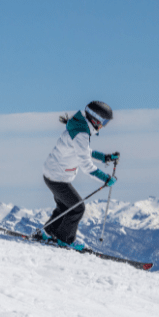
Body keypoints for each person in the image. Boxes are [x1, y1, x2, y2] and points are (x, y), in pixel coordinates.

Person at [36, 101, 119, 251]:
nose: (104, 126)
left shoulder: (80, 128)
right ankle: (64, 239)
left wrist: (105, 158)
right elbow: (86, 164)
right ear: (96, 119)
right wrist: (105, 178)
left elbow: (84, 152)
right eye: (104, 122)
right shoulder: (81, 133)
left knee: (65, 207)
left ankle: (47, 233)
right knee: (77, 208)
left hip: (53, 174)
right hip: (57, 178)